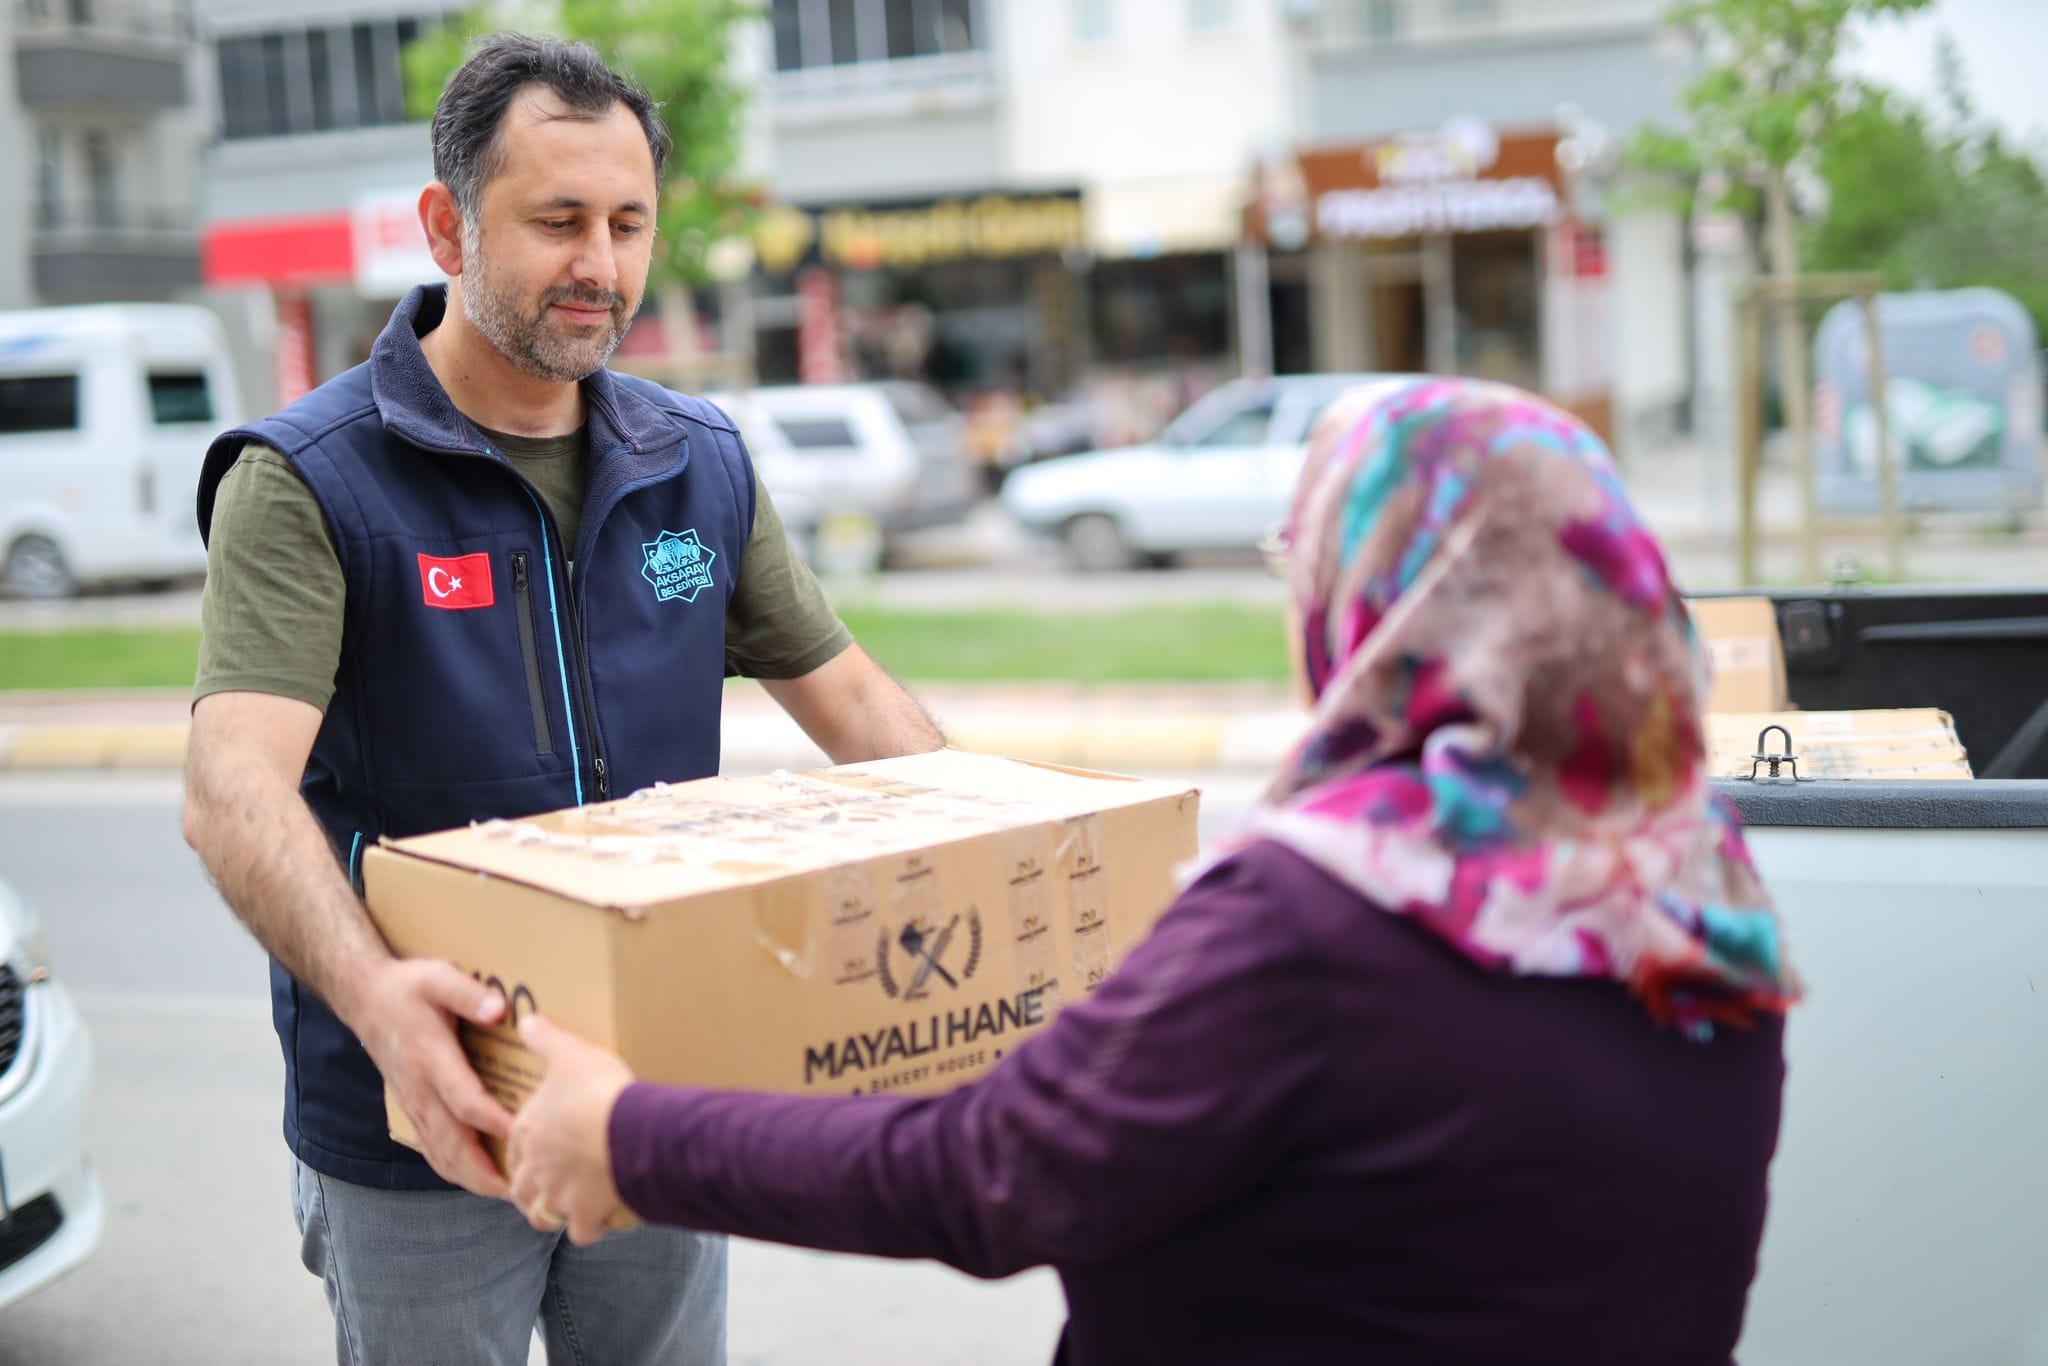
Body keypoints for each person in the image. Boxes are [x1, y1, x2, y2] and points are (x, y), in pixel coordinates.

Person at [504, 377, 1801, 1365]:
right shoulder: (1695, 881)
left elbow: (987, 1173)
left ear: (1390, 595)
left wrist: (628, 1132)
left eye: (1307, 562)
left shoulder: (1326, 917)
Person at [180, 33, 944, 1366]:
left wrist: (996, 871)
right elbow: (231, 788)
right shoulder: (309, 481)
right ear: (446, 224)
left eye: (629, 222)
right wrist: (380, 1009)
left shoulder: (693, 460)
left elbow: (858, 697)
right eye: (559, 221)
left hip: (653, 1089)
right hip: (421, 1121)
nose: (602, 265)